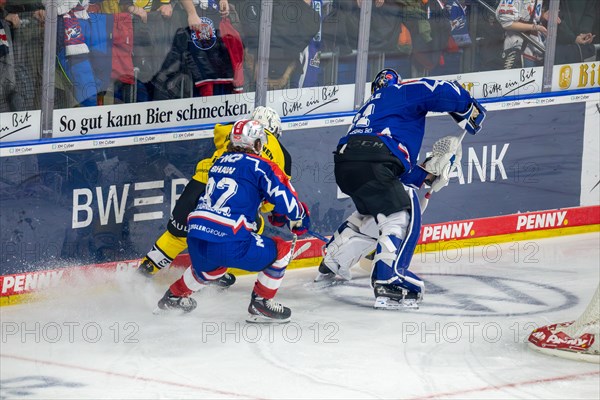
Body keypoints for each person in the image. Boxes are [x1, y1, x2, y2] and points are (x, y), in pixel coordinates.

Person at [315, 68, 486, 309]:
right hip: (377, 158)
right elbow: (439, 90)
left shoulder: (369, 109)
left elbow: (393, 177)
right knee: (402, 213)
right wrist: (467, 107)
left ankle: (332, 261)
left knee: (375, 210)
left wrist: (427, 172)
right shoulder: (399, 92)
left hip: (346, 163)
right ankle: (390, 278)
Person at [156, 119, 310, 323]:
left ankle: (174, 296)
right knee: (281, 250)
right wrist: (298, 219)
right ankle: (261, 303)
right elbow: (287, 202)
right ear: (256, 143)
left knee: (212, 268)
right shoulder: (261, 165)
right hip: (229, 240)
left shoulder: (218, 162)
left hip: (196, 237)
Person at [137, 106, 291, 288]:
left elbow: (217, 132)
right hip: (232, 201)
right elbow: (272, 199)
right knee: (248, 229)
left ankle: (143, 273)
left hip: (200, 184)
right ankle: (213, 269)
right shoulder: (283, 156)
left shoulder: (232, 128)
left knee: (177, 235)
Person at [496, 0, 551, 69]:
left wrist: (542, 15)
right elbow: (507, 23)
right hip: (519, 49)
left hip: (536, 49)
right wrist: (536, 27)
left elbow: (526, 14)